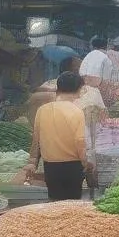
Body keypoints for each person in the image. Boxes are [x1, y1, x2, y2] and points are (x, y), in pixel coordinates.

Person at [30, 71, 88, 201]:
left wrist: (32, 162)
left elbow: (36, 140)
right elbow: (80, 142)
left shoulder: (42, 110)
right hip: (72, 167)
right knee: (72, 207)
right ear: (78, 89)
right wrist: (86, 163)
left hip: (50, 167)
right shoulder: (77, 112)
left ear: (58, 88)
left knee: (55, 205)